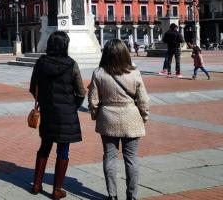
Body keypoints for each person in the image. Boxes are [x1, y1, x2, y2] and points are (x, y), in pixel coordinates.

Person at [88, 39, 150, 200]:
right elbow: (143, 99)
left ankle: (112, 195)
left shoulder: (99, 73)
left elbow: (93, 100)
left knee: (109, 157)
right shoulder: (134, 72)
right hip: (131, 117)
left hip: (108, 117)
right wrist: (144, 115)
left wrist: (96, 114)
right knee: (131, 158)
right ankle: (132, 196)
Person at [30, 31, 86, 199]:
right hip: (66, 115)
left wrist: (45, 102)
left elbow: (34, 87)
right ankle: (56, 190)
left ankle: (37, 185)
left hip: (48, 112)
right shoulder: (72, 64)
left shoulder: (41, 63)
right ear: (65, 45)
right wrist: (73, 106)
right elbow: (81, 92)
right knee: (63, 151)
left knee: (44, 148)